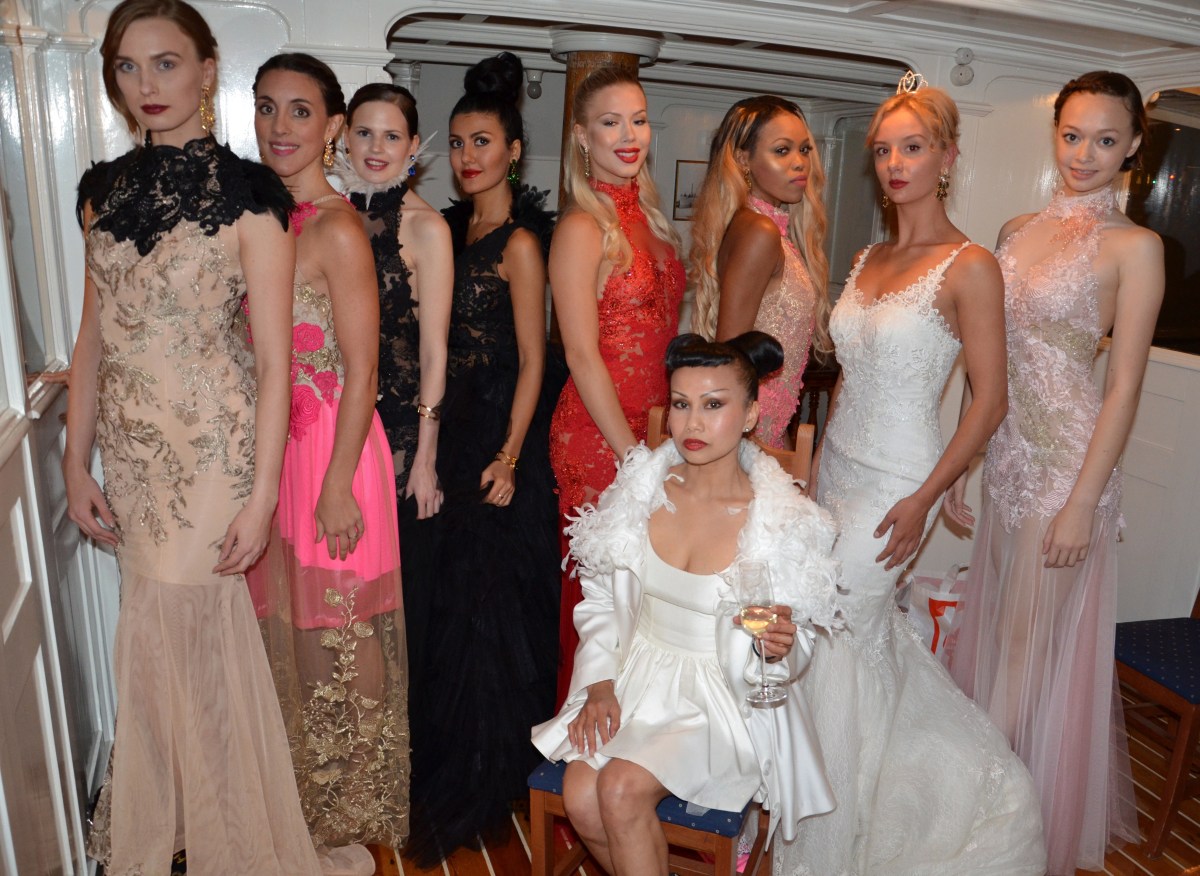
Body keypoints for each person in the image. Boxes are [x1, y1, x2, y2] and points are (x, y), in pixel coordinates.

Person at [65, 2, 320, 873]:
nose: (147, 85)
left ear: (209, 70)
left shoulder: (254, 197)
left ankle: (223, 842)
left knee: (186, 630)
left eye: (166, 63)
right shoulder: (101, 192)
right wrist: (73, 461)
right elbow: (93, 340)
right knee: (155, 634)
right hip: (132, 455)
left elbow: (277, 363)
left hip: (213, 451)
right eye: (128, 67)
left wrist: (262, 497)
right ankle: (191, 827)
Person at [776, 79, 1047, 874]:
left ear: (948, 157)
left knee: (839, 630)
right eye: (884, 150)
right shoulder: (869, 257)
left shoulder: (971, 265)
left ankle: (824, 843)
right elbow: (850, 377)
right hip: (838, 469)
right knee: (833, 640)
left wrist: (927, 496)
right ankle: (831, 805)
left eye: (914, 147)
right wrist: (812, 475)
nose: (895, 164)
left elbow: (990, 400)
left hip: (899, 481)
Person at [947, 71, 1161, 875]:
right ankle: (993, 815)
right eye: (1073, 135)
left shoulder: (1136, 248)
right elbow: (985, 359)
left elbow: (1125, 386)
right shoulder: (1015, 229)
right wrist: (964, 458)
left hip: (1068, 470)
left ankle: (975, 825)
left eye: (1105, 140)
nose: (1084, 154)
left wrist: (1082, 502)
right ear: (1056, 134)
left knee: (1020, 654)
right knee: (997, 632)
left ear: (1133, 146)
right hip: (1007, 458)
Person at [533, 331, 841, 873]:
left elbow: (794, 650)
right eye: (681, 404)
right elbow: (601, 600)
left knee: (620, 790)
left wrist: (778, 648)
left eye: (713, 405)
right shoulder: (638, 492)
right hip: (635, 676)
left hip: (720, 698)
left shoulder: (783, 521)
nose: (692, 423)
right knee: (581, 798)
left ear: (750, 414)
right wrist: (600, 683)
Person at [246, 53, 408, 874]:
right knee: (288, 635)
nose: (280, 127)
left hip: (334, 457)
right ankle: (300, 814)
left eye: (300, 111)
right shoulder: (262, 220)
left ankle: (348, 825)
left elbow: (365, 368)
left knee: (344, 636)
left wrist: (339, 482)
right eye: (266, 107)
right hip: (277, 455)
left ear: (334, 126)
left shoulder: (339, 228)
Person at [399, 52, 562, 864]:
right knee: (447, 611)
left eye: (484, 142)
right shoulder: (450, 228)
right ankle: (446, 760)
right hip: (450, 433)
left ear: (513, 152)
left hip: (499, 441)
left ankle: (490, 780)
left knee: (489, 618)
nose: (468, 156)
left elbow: (535, 359)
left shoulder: (522, 244)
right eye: (458, 143)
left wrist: (510, 455)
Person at [550, 68, 685, 703]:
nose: (629, 135)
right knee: (600, 609)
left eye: (639, 119)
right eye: (611, 122)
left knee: (649, 612)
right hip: (599, 439)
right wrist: (632, 456)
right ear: (583, 136)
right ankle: (581, 744)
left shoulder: (654, 223)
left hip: (656, 435)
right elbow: (580, 354)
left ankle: (635, 745)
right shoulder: (581, 227)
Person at [339, 81, 453, 683]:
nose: (376, 148)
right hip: (328, 425)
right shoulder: (322, 216)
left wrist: (426, 460)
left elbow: (435, 353)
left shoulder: (428, 228)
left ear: (413, 147)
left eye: (391, 136)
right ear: (344, 137)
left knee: (389, 600)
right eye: (365, 133)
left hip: (398, 437)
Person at [688, 95, 830, 448]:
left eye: (804, 149)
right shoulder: (759, 230)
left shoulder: (767, 230)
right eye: (782, 150)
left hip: (763, 433)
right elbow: (730, 357)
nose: (799, 163)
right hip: (747, 436)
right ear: (743, 159)